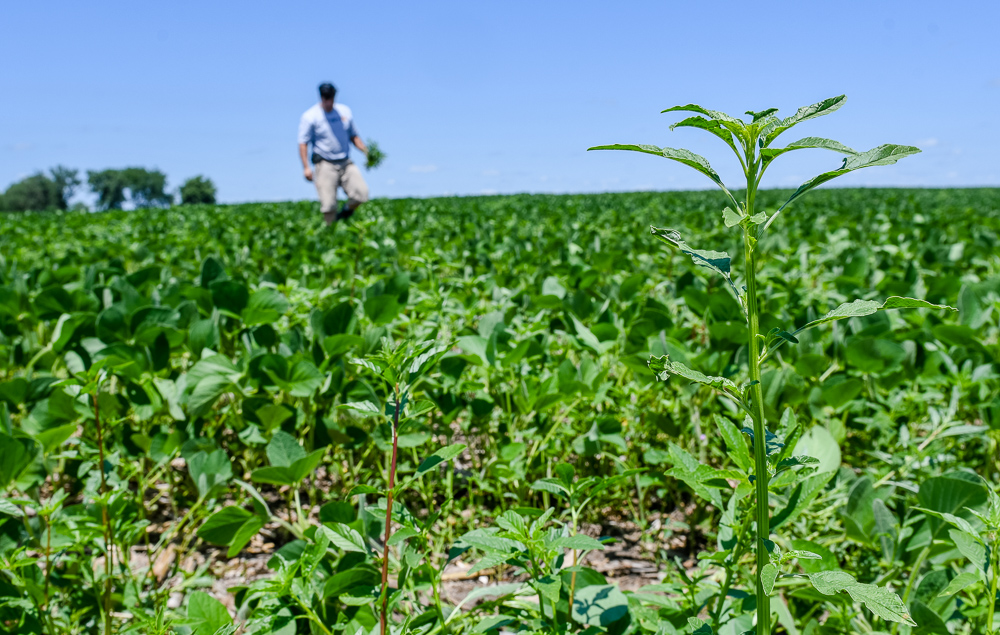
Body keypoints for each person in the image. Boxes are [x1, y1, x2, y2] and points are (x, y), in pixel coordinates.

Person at [298, 82, 370, 225]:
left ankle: (343, 215)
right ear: (321, 97)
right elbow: (303, 143)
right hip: (324, 163)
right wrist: (306, 167)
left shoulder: (345, 112)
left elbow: (354, 136)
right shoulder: (310, 116)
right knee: (329, 205)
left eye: (330, 98)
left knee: (361, 194)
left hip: (345, 161)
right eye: (325, 98)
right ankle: (331, 233)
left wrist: (366, 151)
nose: (328, 102)